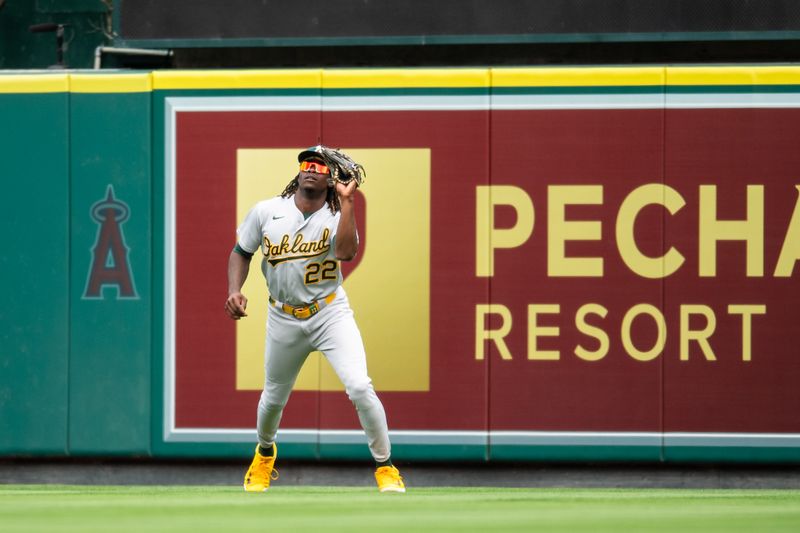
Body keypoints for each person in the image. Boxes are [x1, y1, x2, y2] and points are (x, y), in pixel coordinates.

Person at [224, 145, 405, 493]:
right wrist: (234, 289)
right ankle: (264, 454)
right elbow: (241, 252)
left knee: (359, 386)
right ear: (298, 171)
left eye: (320, 167)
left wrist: (348, 202)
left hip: (329, 311)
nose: (311, 169)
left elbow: (346, 252)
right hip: (283, 316)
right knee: (273, 399)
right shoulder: (267, 211)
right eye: (306, 163)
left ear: (330, 178)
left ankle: (386, 467)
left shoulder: (338, 215)